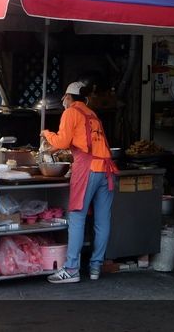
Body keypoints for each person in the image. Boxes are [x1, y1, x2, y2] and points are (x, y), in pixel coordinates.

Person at [40, 81, 118, 284]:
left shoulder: (71, 112)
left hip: (88, 168)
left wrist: (47, 134)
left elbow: (63, 142)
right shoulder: (92, 114)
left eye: (64, 97)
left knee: (76, 217)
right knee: (102, 221)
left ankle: (72, 269)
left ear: (68, 97)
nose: (63, 101)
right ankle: (95, 267)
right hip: (107, 170)